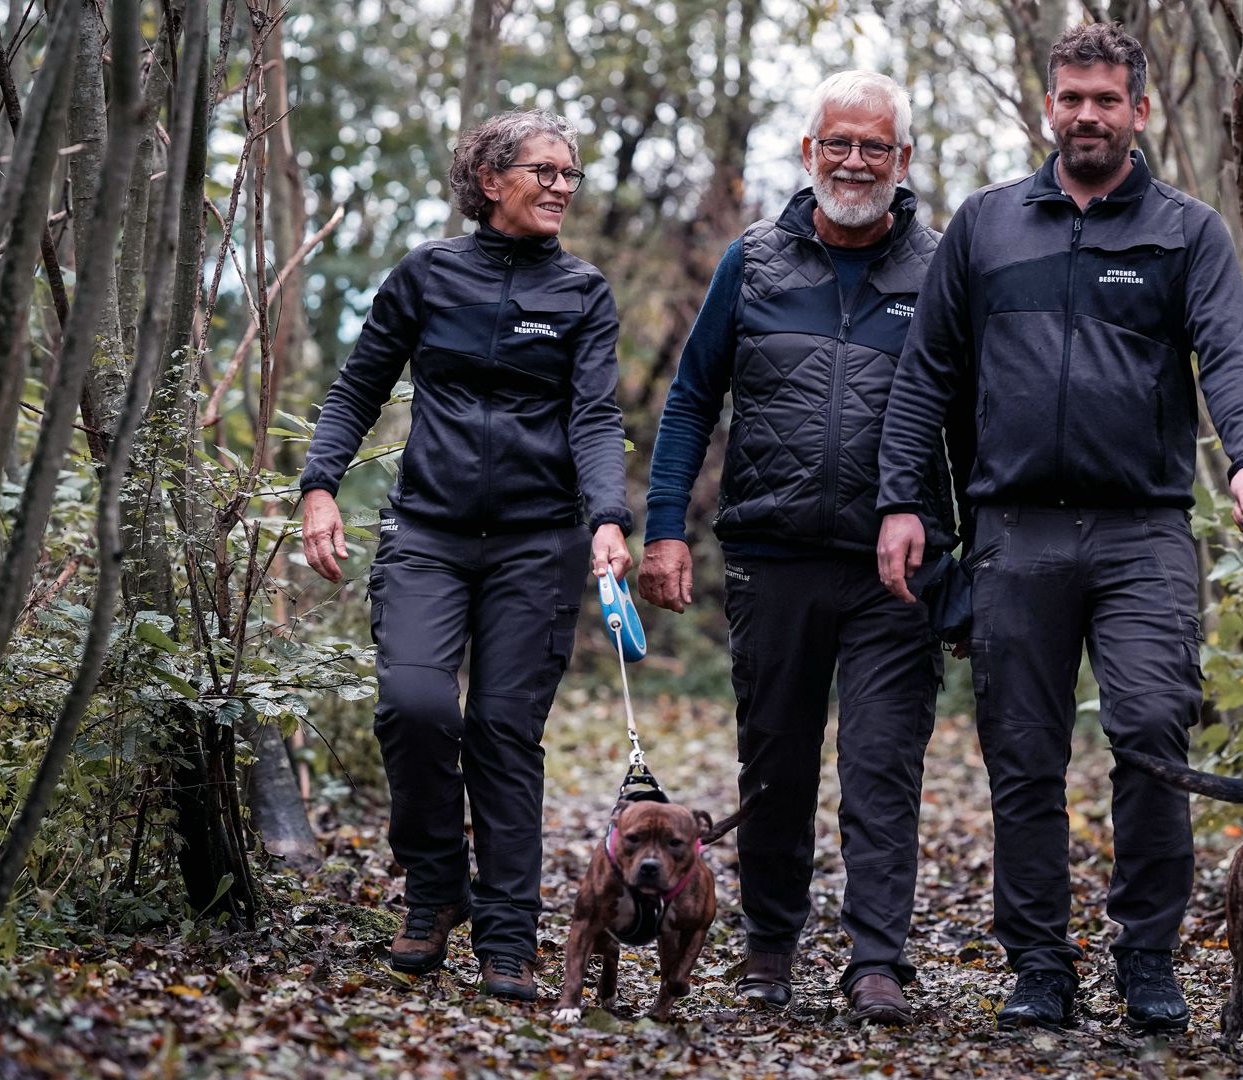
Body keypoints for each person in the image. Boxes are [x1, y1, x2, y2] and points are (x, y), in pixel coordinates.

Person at [875, 24, 1243, 1033]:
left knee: (1149, 732)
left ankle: (1147, 959)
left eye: (1107, 99)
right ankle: (1039, 966)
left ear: (1140, 111)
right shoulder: (985, 228)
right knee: (1023, 755)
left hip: (1143, 532)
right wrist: (902, 505)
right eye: (1071, 98)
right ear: (1048, 105)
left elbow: (1228, 354)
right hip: (1014, 533)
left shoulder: (1188, 234)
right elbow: (925, 373)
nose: (1087, 115)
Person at [638, 71, 958, 1026]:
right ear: (809, 152)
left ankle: (876, 961)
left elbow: (973, 422)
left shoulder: (943, 270)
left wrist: (973, 562)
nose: (854, 162)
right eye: (837, 145)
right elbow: (692, 396)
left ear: (904, 162)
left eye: (875, 147)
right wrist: (664, 526)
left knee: (882, 765)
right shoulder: (754, 262)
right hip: (772, 558)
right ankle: (769, 949)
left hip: (895, 570)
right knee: (773, 765)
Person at [298, 109, 632, 1003]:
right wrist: (319, 485)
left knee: (502, 733)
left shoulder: (583, 293)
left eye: (572, 173)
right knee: (414, 706)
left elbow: (596, 415)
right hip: (428, 533)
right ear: (490, 179)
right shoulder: (427, 276)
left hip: (538, 541)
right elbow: (359, 384)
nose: (562, 185)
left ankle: (508, 935)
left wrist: (607, 516)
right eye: (544, 170)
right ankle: (436, 887)